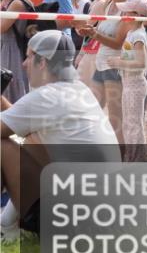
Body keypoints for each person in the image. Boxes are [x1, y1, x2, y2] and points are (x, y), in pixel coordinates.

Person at [0, 32, 119, 240]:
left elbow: (7, 130)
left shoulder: (45, 97)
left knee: (3, 146)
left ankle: (7, 229)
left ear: (42, 62)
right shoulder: (79, 90)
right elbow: (25, 129)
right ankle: (7, 223)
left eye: (28, 56)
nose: (24, 63)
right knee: (29, 142)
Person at [77, 0, 135, 143]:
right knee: (93, 109)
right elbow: (94, 28)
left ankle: (122, 156)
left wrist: (94, 34)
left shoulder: (128, 11)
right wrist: (85, 30)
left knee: (116, 116)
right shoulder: (106, 4)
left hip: (115, 66)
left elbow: (119, 43)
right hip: (101, 64)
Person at [104, 0, 147, 162]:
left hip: (135, 83)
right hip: (129, 83)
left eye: (127, 11)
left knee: (134, 124)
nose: (123, 14)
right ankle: (132, 157)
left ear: (136, 14)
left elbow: (141, 62)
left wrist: (118, 62)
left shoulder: (138, 35)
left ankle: (136, 158)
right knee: (128, 123)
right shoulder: (132, 33)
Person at [1, 0, 34, 103]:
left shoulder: (18, 3)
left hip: (12, 50)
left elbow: (1, 28)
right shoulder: (11, 1)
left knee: (9, 89)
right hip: (6, 47)